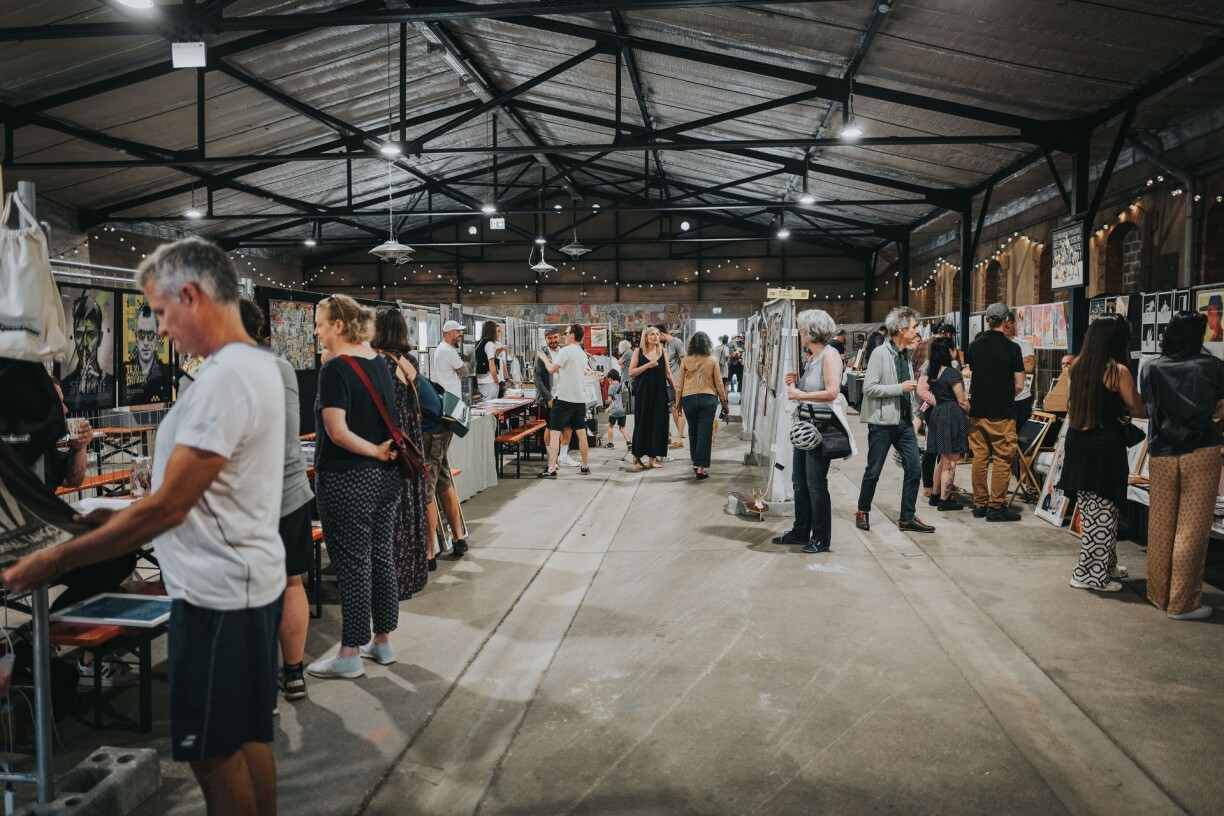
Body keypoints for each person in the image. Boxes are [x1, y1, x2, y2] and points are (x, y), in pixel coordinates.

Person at [3, 237, 285, 816]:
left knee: (214, 756)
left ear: (191, 296)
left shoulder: (224, 381)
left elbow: (167, 509)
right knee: (244, 735)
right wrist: (116, 515)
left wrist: (51, 560)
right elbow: (192, 498)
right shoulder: (250, 367)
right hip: (241, 584)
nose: (160, 330)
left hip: (216, 597)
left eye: (160, 312)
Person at [308, 294, 401, 680]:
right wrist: (379, 454)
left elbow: (338, 432)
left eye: (320, 324)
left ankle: (349, 652)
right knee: (380, 557)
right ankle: (382, 641)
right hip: (386, 479)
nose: (316, 331)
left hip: (347, 478)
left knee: (352, 565)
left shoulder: (335, 370)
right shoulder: (377, 361)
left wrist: (373, 451)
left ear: (339, 325)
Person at [238, 299, 314, 705]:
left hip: (246, 502)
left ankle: (261, 687)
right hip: (290, 490)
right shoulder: (281, 367)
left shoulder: (221, 373)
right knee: (290, 581)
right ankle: (294, 673)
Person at [1140, 311, 1224, 619]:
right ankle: (1183, 603)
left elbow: (1149, 407)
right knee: (1192, 528)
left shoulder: (1151, 367)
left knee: (1161, 526)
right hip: (1202, 450)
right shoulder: (1212, 366)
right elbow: (1220, 406)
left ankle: (1159, 594)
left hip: (1161, 450)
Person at [1058, 313, 1146, 594]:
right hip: (1104, 446)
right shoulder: (1117, 371)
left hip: (1079, 442)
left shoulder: (1077, 366)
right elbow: (1136, 408)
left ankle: (1106, 565)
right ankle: (1087, 574)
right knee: (1104, 511)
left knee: (1095, 511)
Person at [773, 309, 851, 553]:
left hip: (820, 428)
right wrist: (795, 383)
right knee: (800, 482)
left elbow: (832, 392)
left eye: (801, 328)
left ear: (811, 330)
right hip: (806, 427)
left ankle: (821, 538)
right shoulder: (814, 357)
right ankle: (800, 530)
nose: (799, 333)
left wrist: (800, 393)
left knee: (816, 484)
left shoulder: (829, 355)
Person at [855, 307, 934, 534]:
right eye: (914, 326)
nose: (917, 330)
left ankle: (907, 517)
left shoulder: (905, 354)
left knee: (915, 469)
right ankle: (862, 511)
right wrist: (900, 387)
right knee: (874, 470)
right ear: (901, 329)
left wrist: (914, 415)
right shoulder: (880, 353)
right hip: (882, 424)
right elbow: (869, 388)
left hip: (904, 423)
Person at [372, 306, 431, 599]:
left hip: (391, 440)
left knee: (392, 512)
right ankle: (414, 573)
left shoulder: (380, 363)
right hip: (411, 439)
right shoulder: (409, 360)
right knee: (412, 506)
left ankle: (394, 580)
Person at [963, 303, 1025, 522]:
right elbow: (1020, 385)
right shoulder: (1012, 348)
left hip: (977, 410)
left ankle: (980, 504)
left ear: (987, 320)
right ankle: (996, 506)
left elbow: (975, 374)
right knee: (1002, 458)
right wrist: (1006, 394)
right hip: (1002, 412)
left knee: (979, 457)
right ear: (1006, 320)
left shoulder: (973, 346)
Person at [425, 320, 470, 561]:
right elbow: (464, 371)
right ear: (449, 332)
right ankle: (443, 544)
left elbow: (465, 371)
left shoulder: (444, 350)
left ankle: (435, 549)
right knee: (437, 481)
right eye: (458, 332)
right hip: (445, 414)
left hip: (442, 417)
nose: (460, 335)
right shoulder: (446, 351)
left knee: (435, 482)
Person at [536, 324, 593, 478]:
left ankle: (551, 468)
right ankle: (585, 465)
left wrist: (544, 359)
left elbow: (551, 370)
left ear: (572, 335)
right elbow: (566, 371)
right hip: (579, 399)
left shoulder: (566, 350)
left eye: (566, 333)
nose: (564, 336)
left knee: (555, 433)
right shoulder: (582, 353)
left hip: (564, 399)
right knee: (581, 432)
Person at [675, 331, 728, 479]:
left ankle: (695, 462)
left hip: (688, 398)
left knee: (693, 431)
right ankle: (700, 468)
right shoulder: (712, 360)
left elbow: (680, 384)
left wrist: (678, 403)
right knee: (705, 433)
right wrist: (724, 402)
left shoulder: (686, 360)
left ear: (691, 345)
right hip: (708, 398)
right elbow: (719, 383)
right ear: (707, 344)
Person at [925, 338, 970, 512]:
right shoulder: (951, 373)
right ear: (949, 351)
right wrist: (971, 413)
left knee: (943, 459)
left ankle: (935, 495)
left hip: (938, 413)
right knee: (951, 462)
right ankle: (945, 499)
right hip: (951, 415)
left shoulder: (932, 371)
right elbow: (962, 400)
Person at [629, 326, 673, 470]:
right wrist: (647, 365)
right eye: (652, 334)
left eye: (657, 334)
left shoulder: (663, 351)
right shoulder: (639, 351)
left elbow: (668, 374)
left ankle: (652, 458)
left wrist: (676, 390)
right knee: (642, 422)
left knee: (658, 423)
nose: (655, 337)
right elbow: (631, 372)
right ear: (646, 337)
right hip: (643, 393)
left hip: (659, 393)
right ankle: (636, 457)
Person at [61, 293, 116, 409]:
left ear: (100, 338)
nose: (84, 343)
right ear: (74, 337)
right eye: (79, 335)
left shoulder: (110, 383)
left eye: (91, 335)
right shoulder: (64, 386)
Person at [1002, 311, 1036, 426]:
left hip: (1021, 398)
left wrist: (1003, 365)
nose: (1006, 325)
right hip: (1001, 399)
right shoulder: (995, 344)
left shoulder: (1025, 344)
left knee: (1021, 433)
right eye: (1003, 322)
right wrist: (1019, 362)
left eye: (1009, 322)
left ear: (1015, 324)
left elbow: (1029, 367)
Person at [657, 324, 686, 448]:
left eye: (657, 335)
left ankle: (679, 437)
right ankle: (674, 435)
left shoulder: (676, 343)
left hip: (675, 382)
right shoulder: (665, 345)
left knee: (677, 408)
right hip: (666, 382)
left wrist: (681, 380)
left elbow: (684, 361)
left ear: (661, 334)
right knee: (671, 409)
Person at [475, 321, 507, 402]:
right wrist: (496, 380)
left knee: (484, 405)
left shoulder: (478, 343)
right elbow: (491, 364)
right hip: (489, 381)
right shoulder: (489, 344)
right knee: (491, 406)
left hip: (480, 380)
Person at [604, 369, 630, 449]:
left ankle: (610, 444)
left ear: (610, 379)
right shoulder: (622, 385)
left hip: (614, 410)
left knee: (610, 425)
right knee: (622, 427)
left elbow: (609, 400)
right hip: (623, 409)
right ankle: (629, 442)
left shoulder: (611, 387)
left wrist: (607, 406)